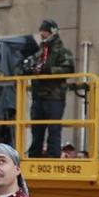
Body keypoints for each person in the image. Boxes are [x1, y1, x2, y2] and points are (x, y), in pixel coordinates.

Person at [24, 20, 74, 158]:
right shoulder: (40, 51)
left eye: (44, 31)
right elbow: (30, 65)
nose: (42, 34)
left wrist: (48, 70)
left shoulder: (62, 51)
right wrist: (30, 69)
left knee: (54, 129)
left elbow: (68, 69)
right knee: (36, 130)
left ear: (52, 31)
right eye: (41, 31)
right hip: (38, 96)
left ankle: (53, 156)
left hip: (54, 96)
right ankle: (34, 155)